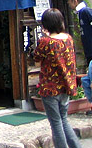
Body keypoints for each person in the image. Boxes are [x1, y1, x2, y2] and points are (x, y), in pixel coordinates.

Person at [32, 8, 81, 148]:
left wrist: (44, 37)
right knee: (63, 119)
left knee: (56, 122)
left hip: (50, 88)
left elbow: (37, 61)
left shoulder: (45, 42)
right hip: (66, 86)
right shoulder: (69, 39)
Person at [68, 0, 92, 66]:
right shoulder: (80, 13)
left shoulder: (86, 11)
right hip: (89, 51)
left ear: (75, 1)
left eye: (69, 1)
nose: (68, 3)